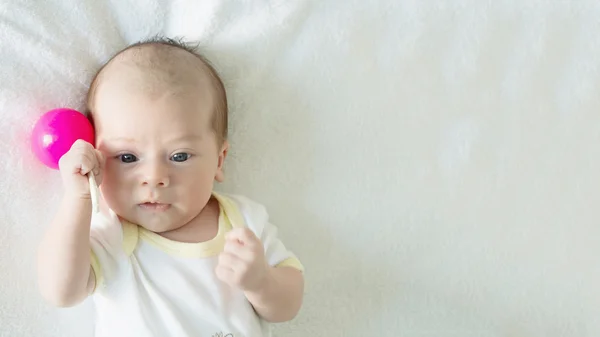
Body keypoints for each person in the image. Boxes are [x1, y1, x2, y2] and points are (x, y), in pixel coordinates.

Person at [37, 37, 304, 337]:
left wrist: (262, 282)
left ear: (219, 160)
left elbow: (288, 306)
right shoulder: (113, 233)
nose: (154, 177)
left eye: (179, 156)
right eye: (127, 157)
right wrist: (78, 197)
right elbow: (60, 291)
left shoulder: (243, 223)